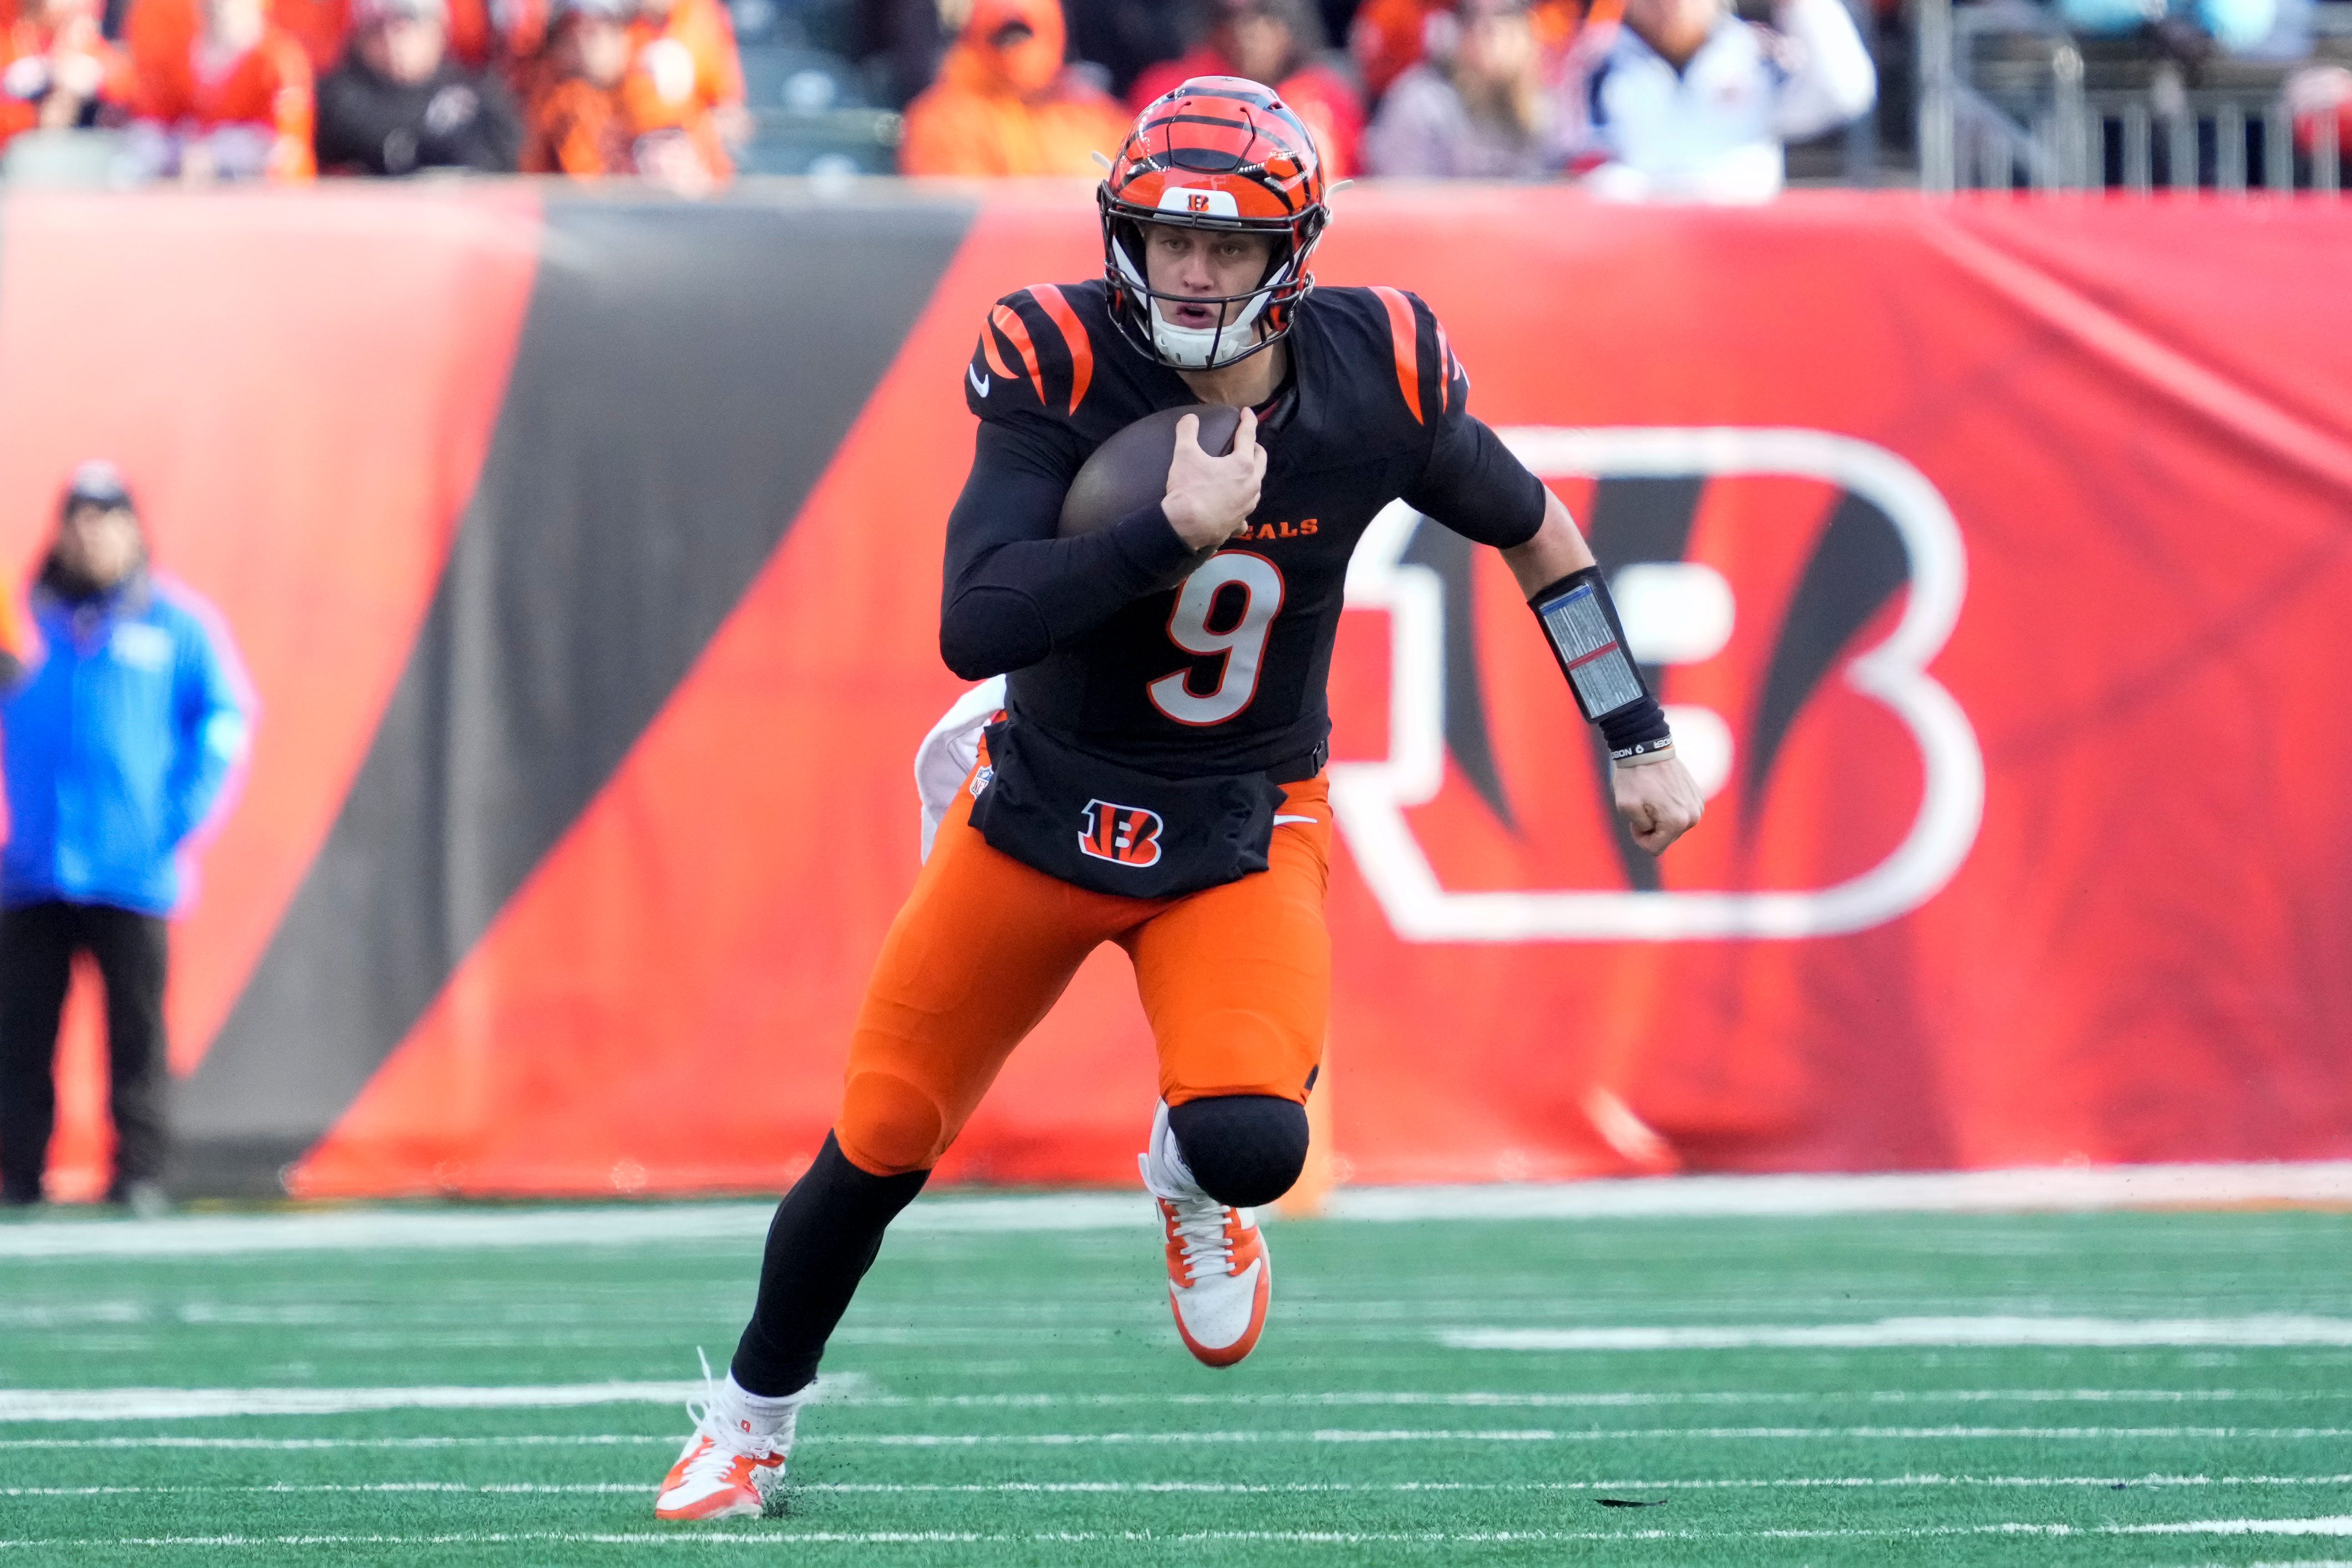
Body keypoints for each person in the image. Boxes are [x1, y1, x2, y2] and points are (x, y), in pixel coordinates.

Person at [651, 75, 1702, 1521]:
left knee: (1253, 1138)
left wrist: (1631, 726)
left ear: (1293, 254)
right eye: (1163, 240)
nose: (1191, 272)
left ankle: (1188, 1181)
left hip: (1239, 821)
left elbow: (1539, 531)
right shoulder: (1057, 355)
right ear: (1120, 236)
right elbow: (977, 619)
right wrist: (1164, 532)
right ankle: (750, 1421)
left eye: (1226, 248)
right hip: (1040, 801)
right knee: (880, 1137)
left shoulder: (1376, 369)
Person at [0, 463, 250, 1215]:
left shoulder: (174, 626)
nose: (91, 531)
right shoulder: (22, 622)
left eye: (107, 517)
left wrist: (172, 823)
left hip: (133, 870)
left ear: (133, 529)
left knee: (135, 1035)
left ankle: (139, 1173)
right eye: (78, 516)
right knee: (20, 1038)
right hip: (35, 869)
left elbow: (224, 724)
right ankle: (18, 1174)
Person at [1568, 0, 1874, 200]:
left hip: (1741, 255)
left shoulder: (1760, 55)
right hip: (1630, 260)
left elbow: (1844, 91)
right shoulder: (1587, 66)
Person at [1130, 0, 1364, 177]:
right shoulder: (1168, 90)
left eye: (1264, 15)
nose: (1248, 32)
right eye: (1231, 19)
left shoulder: (1328, 98)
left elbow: (1361, 187)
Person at [897, 0, 1129, 177]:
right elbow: (952, 213)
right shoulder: (941, 119)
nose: (1017, 47)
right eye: (1007, 35)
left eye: (1024, 34)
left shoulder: (1091, 114)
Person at [520, 0, 726, 187]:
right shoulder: (557, 106)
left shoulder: (657, 98)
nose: (581, 44)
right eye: (569, 35)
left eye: (593, 31)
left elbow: (696, 191)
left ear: (624, 32)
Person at [1362, 0, 1568, 176]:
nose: (1489, 28)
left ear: (1530, 25)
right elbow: (1405, 208)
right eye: (1471, 14)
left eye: (1505, 12)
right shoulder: (1421, 104)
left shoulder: (1547, 108)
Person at [314, 0, 519, 173]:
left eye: (405, 26)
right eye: (378, 28)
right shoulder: (335, 101)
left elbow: (505, 165)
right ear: (359, 38)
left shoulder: (478, 97)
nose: (393, 40)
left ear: (438, 30)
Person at [125, 0, 315, 179]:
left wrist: (217, 154)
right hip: (196, 196)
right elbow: (154, 122)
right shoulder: (182, 58)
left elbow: (286, 148)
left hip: (267, 196)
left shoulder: (281, 60)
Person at [0, 0, 133, 148]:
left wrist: (101, 84)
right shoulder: (15, 37)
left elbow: (132, 89)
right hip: (18, 150)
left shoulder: (90, 47)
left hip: (79, 152)